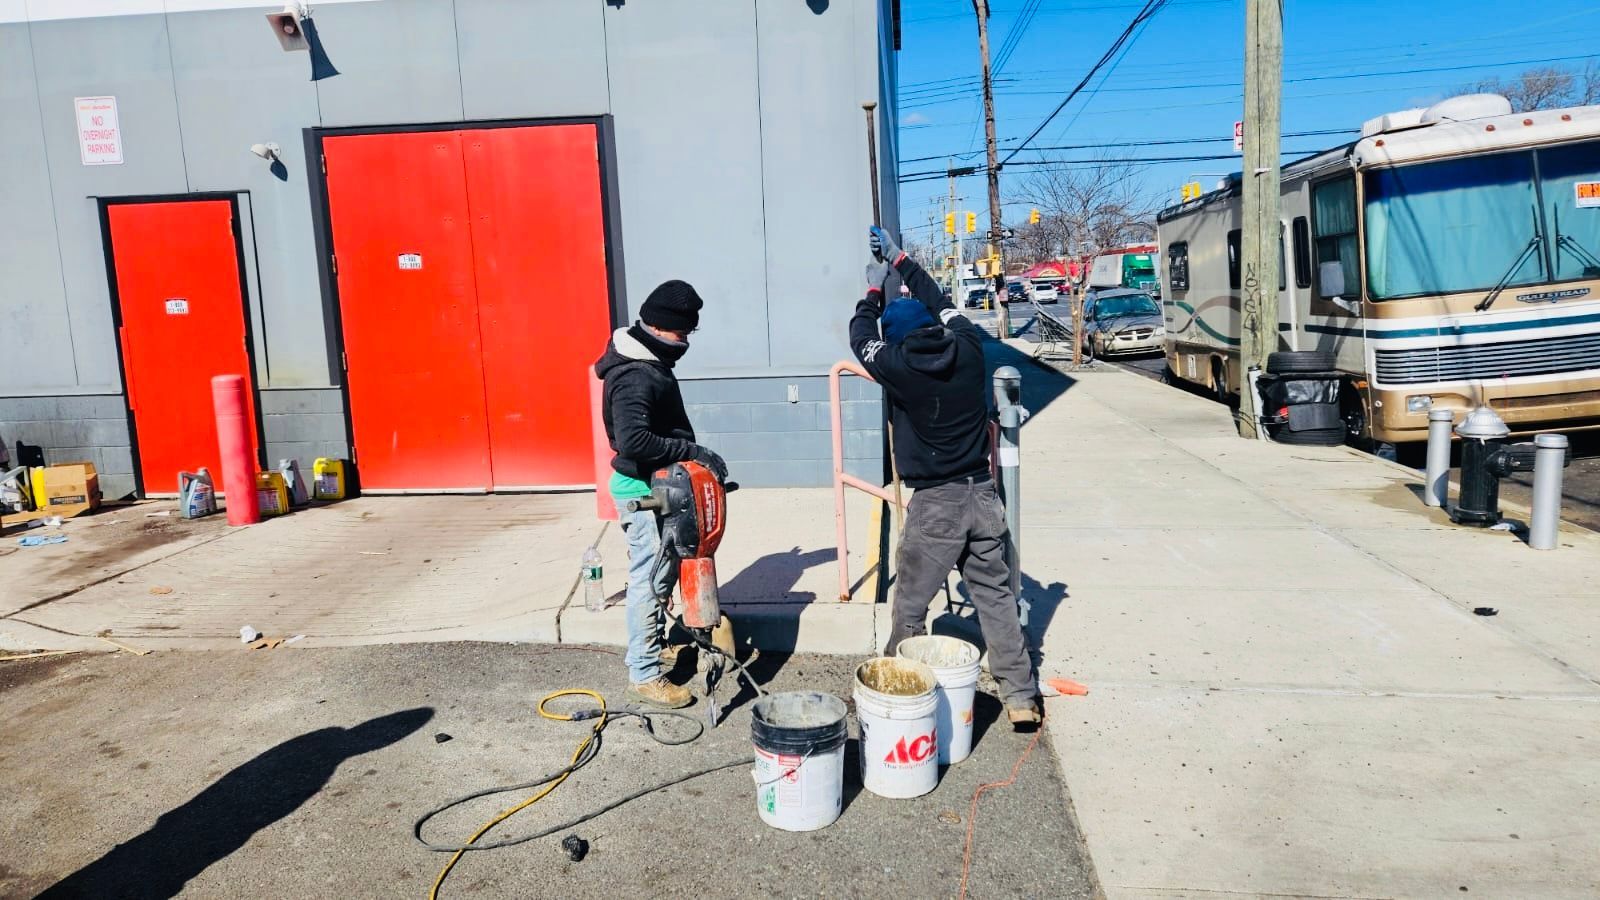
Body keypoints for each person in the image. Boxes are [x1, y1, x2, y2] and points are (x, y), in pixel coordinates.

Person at [850, 227, 1042, 727]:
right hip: (982, 497)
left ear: (895, 338)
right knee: (995, 597)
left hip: (936, 503)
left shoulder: (895, 364)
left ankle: (896, 699)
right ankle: (1021, 697)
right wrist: (902, 259)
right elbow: (942, 302)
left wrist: (873, 288)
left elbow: (859, 337)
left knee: (911, 605)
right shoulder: (970, 345)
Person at [594, 280, 728, 709]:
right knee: (649, 582)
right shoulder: (636, 374)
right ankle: (645, 673)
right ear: (659, 326)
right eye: (682, 333)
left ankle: (649, 646)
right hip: (643, 490)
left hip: (658, 486)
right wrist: (694, 451)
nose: (685, 342)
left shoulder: (648, 359)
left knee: (661, 578)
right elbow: (634, 441)